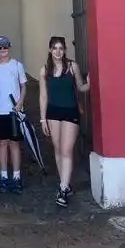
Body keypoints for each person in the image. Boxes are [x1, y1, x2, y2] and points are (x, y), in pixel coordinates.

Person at [39, 36, 90, 207]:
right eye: (55, 48)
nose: (58, 51)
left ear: (65, 50)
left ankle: (62, 188)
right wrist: (42, 119)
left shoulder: (72, 66)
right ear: (50, 50)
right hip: (53, 112)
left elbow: (80, 86)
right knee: (58, 149)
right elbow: (43, 96)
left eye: (61, 48)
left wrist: (89, 84)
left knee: (67, 150)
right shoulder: (45, 70)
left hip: (70, 111)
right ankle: (65, 184)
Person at [0, 35, 27, 193]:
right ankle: (4, 176)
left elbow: (23, 86)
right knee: (2, 144)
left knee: (14, 144)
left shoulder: (17, 65)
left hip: (13, 111)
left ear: (9, 47)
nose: (2, 50)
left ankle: (16, 176)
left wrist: (21, 102)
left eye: (5, 46)